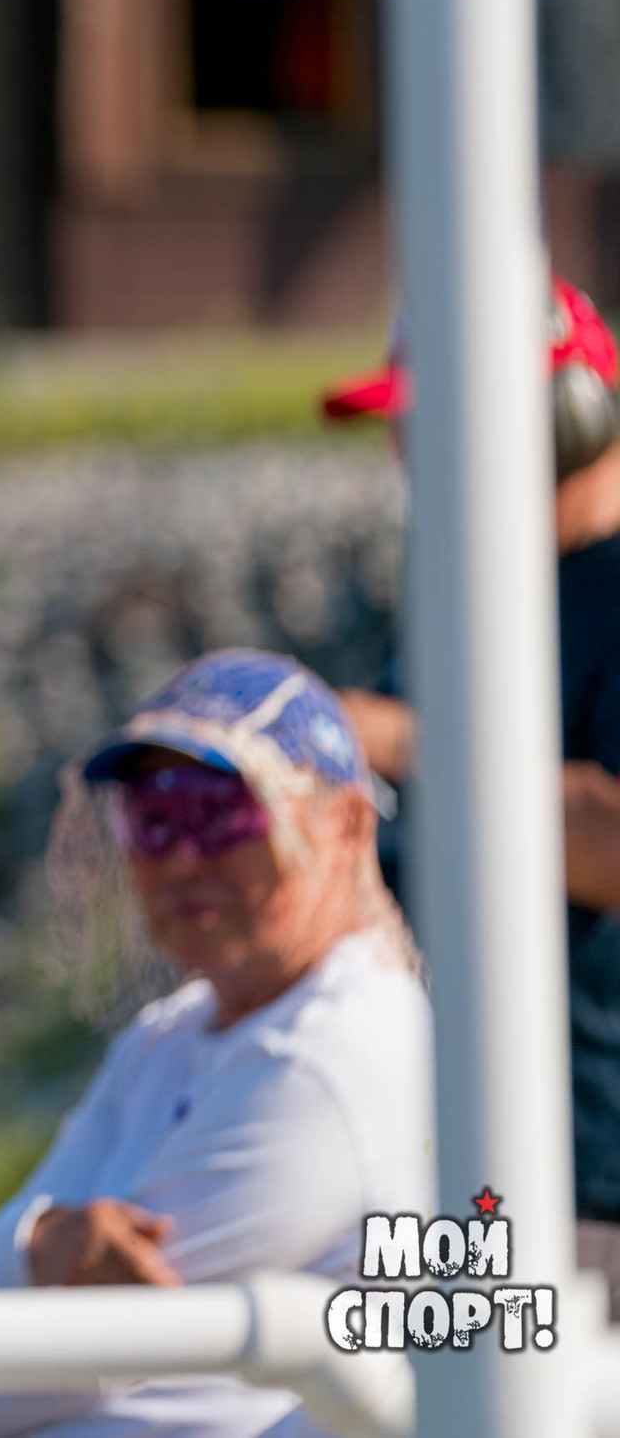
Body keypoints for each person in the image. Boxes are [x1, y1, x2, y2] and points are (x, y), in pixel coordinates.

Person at [0, 649, 433, 1438]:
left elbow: (60, 1356)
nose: (178, 854)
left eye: (220, 810)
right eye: (150, 816)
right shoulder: (164, 1036)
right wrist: (41, 1243)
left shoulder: (329, 1055)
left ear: (344, 823)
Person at [322, 275, 620, 1283]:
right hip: (452, 1170)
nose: (409, 454)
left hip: (589, 1189)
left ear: (567, 419)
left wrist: (413, 741)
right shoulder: (477, 589)